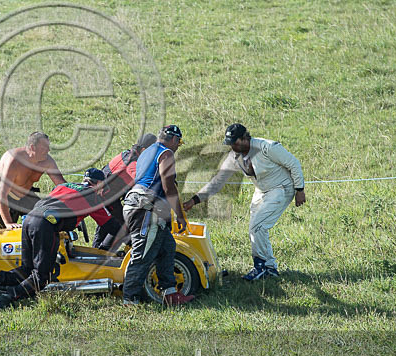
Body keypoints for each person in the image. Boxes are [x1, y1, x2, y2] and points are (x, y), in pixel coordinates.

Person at [0, 168, 123, 310]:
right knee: (42, 277)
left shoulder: (64, 186)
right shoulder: (92, 196)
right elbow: (111, 226)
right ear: (98, 183)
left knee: (27, 269)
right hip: (44, 225)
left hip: (29, 219)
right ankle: (8, 297)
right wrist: (131, 239)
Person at [184, 123, 306, 281]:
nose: (232, 147)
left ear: (244, 138)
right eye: (230, 144)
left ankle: (262, 267)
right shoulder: (234, 157)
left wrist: (300, 190)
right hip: (261, 191)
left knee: (258, 226)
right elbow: (217, 182)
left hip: (281, 188)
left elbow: (294, 164)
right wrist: (193, 201)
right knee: (255, 229)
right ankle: (268, 267)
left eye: (235, 142)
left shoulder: (267, 147)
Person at [121, 125, 194, 306]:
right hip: (146, 208)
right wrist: (180, 215)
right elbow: (168, 186)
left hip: (139, 204)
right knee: (142, 254)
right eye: (179, 143)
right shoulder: (166, 153)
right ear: (174, 140)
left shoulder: (146, 152)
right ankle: (130, 300)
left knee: (167, 247)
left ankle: (169, 293)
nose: (178, 147)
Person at [0, 132, 66, 229]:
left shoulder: (48, 161)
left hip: (24, 193)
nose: (48, 150)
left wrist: (78, 192)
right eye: (44, 148)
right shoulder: (14, 160)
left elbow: (62, 185)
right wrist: (8, 223)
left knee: (44, 217)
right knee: (2, 229)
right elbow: (2, 194)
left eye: (48, 147)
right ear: (32, 147)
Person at [92, 133, 157, 251]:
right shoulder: (133, 164)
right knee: (122, 226)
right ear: (144, 150)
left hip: (104, 195)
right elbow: (145, 183)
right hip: (106, 196)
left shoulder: (127, 153)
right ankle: (104, 251)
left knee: (107, 224)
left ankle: (98, 251)